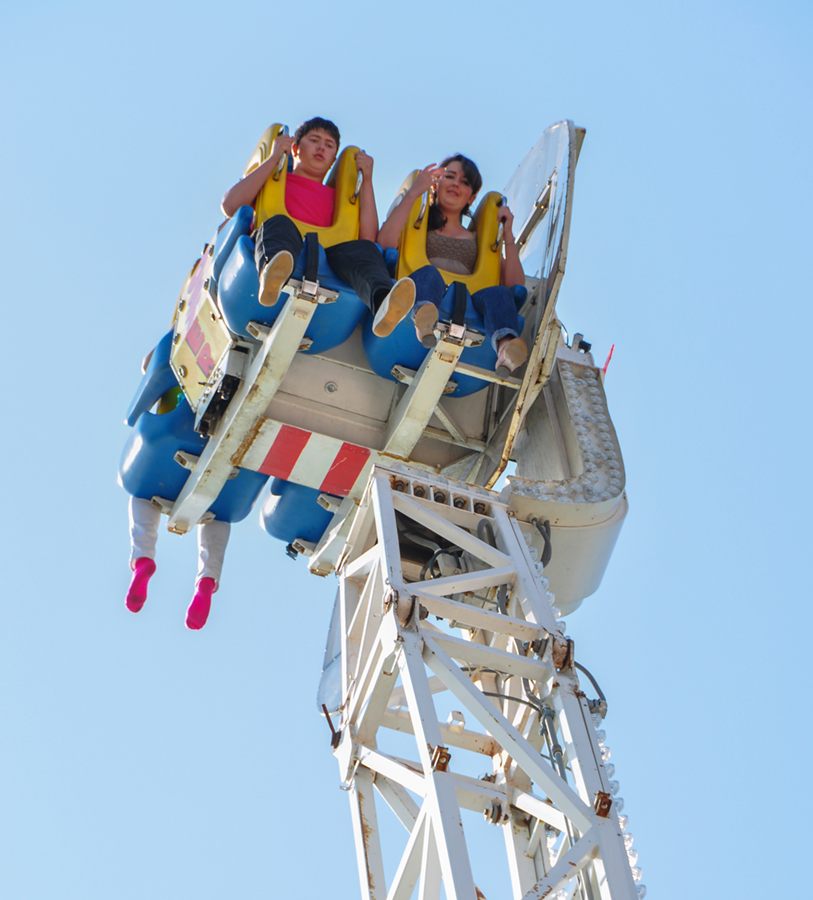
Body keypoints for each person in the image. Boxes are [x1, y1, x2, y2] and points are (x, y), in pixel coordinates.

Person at [221, 117, 415, 336]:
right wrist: (275, 158)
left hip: (328, 254)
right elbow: (230, 205)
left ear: (333, 160)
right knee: (279, 223)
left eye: (329, 145)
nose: (321, 147)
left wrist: (367, 181)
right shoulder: (274, 181)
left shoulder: (340, 200)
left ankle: (383, 303)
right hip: (283, 244)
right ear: (295, 149)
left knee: (365, 250)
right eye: (314, 140)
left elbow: (368, 239)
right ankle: (272, 275)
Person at [376, 154, 528, 375]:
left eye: (464, 182)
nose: (456, 183)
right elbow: (384, 244)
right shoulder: (416, 227)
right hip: (425, 289)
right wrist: (415, 192)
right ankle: (423, 320)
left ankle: (506, 349)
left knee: (501, 294)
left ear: (471, 198)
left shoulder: (478, 242)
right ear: (436, 184)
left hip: (468, 301)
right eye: (450, 176)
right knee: (429, 274)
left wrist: (508, 236)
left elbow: (515, 286)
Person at [124, 382, 227, 631]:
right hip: (225, 453)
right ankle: (207, 579)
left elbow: (135, 413)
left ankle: (143, 558)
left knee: (142, 493)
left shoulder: (173, 366)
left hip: (173, 440)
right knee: (220, 514)